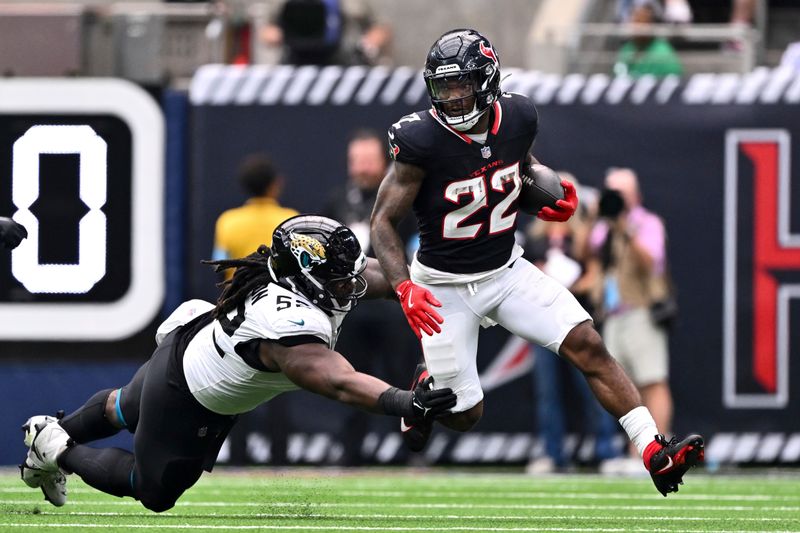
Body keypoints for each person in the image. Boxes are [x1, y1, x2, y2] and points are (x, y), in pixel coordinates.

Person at [370, 28, 702, 497]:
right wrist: (405, 286)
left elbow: (518, 168)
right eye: (444, 88)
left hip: (506, 270)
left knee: (587, 343)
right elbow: (382, 220)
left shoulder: (519, 116)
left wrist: (547, 196)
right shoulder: (420, 139)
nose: (453, 97)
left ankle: (653, 449)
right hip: (442, 285)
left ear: (487, 81)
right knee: (466, 414)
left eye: (463, 85)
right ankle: (426, 391)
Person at [19, 214, 457, 510]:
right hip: (189, 393)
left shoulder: (307, 279)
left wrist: (431, 285)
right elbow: (338, 381)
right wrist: (404, 402)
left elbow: (386, 278)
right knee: (155, 491)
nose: (350, 286)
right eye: (339, 279)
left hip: (193, 343)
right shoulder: (288, 322)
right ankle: (58, 449)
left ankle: (48, 431)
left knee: (124, 406)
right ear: (304, 277)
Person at [322, 129, 418, 464]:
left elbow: (418, 245)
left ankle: (410, 450)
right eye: (357, 161)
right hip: (352, 308)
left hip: (393, 303)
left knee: (402, 374)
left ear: (383, 161)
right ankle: (350, 450)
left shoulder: (402, 196)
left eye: (368, 161)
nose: (362, 168)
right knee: (349, 376)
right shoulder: (337, 201)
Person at [523, 176, 618, 473]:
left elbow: (596, 274)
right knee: (548, 392)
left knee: (593, 384)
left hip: (576, 319)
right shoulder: (534, 237)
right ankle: (553, 454)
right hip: (541, 322)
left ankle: (607, 451)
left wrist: (568, 285)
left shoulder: (584, 238)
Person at [587, 168, 675, 471]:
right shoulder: (605, 227)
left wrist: (625, 226)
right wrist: (595, 216)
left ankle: (658, 450)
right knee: (625, 385)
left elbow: (652, 262)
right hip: (612, 314)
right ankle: (636, 451)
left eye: (619, 194)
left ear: (634, 196)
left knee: (652, 380)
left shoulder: (646, 223)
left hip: (641, 311)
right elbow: (586, 253)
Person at [212, 153, 298, 278]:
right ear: (275, 184)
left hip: (239, 294)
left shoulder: (227, 220)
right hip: (281, 294)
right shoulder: (291, 220)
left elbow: (219, 265)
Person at [259, 0, 392, 66]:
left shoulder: (352, 4)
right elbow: (267, 31)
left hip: (344, 64)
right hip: (293, 63)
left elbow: (380, 29)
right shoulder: (282, 3)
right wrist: (280, 35)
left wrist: (369, 43)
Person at [613, 1, 684, 78]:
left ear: (651, 24)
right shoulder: (627, 49)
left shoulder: (663, 52)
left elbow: (674, 80)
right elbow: (618, 76)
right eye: (636, 21)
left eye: (642, 21)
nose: (638, 27)